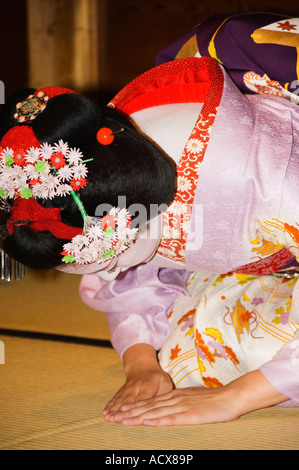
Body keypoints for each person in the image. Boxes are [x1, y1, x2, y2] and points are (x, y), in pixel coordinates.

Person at [1, 13, 299, 426]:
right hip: (267, 248)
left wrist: (235, 399)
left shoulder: (254, 173)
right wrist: (141, 364)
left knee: (252, 362)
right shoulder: (111, 178)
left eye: (111, 260)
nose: (114, 273)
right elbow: (126, 284)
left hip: (276, 196)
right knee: (190, 353)